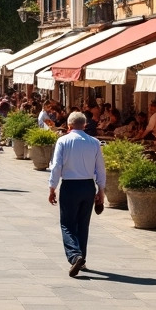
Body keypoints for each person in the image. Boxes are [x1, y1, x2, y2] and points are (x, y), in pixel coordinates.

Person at [48, 111, 106, 277]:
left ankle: (75, 256)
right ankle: (83, 259)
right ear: (85, 125)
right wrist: (101, 190)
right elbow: (100, 168)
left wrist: (52, 187)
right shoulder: (94, 142)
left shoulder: (63, 141)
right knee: (83, 224)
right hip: (88, 186)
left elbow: (57, 165)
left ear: (69, 125)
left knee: (67, 224)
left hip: (70, 185)